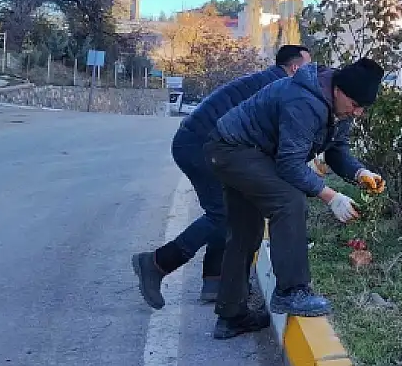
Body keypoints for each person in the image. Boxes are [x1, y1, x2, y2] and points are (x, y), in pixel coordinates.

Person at [206, 58, 387, 339]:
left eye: (363, 108)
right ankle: (291, 290)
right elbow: (290, 165)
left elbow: (337, 153)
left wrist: (360, 172)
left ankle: (231, 316)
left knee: (245, 233)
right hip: (233, 149)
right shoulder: (305, 101)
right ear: (338, 90)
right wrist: (331, 196)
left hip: (246, 152)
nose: (358, 112)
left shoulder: (339, 110)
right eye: (355, 105)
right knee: (289, 201)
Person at [132, 44, 311, 310]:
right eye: (309, 67)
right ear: (295, 68)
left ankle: (214, 281)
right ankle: (157, 263)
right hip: (202, 145)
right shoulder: (281, 88)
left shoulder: (269, 81)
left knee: (228, 208)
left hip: (201, 141)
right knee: (223, 213)